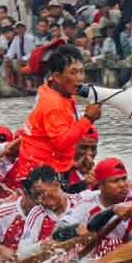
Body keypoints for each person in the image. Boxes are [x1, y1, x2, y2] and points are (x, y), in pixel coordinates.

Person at [16, 44, 102, 183]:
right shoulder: (53, 103)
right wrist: (88, 118)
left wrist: (71, 163)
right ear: (57, 76)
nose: (80, 78)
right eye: (73, 73)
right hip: (40, 175)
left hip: (51, 164)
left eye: (81, 71)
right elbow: (61, 143)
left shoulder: (61, 89)